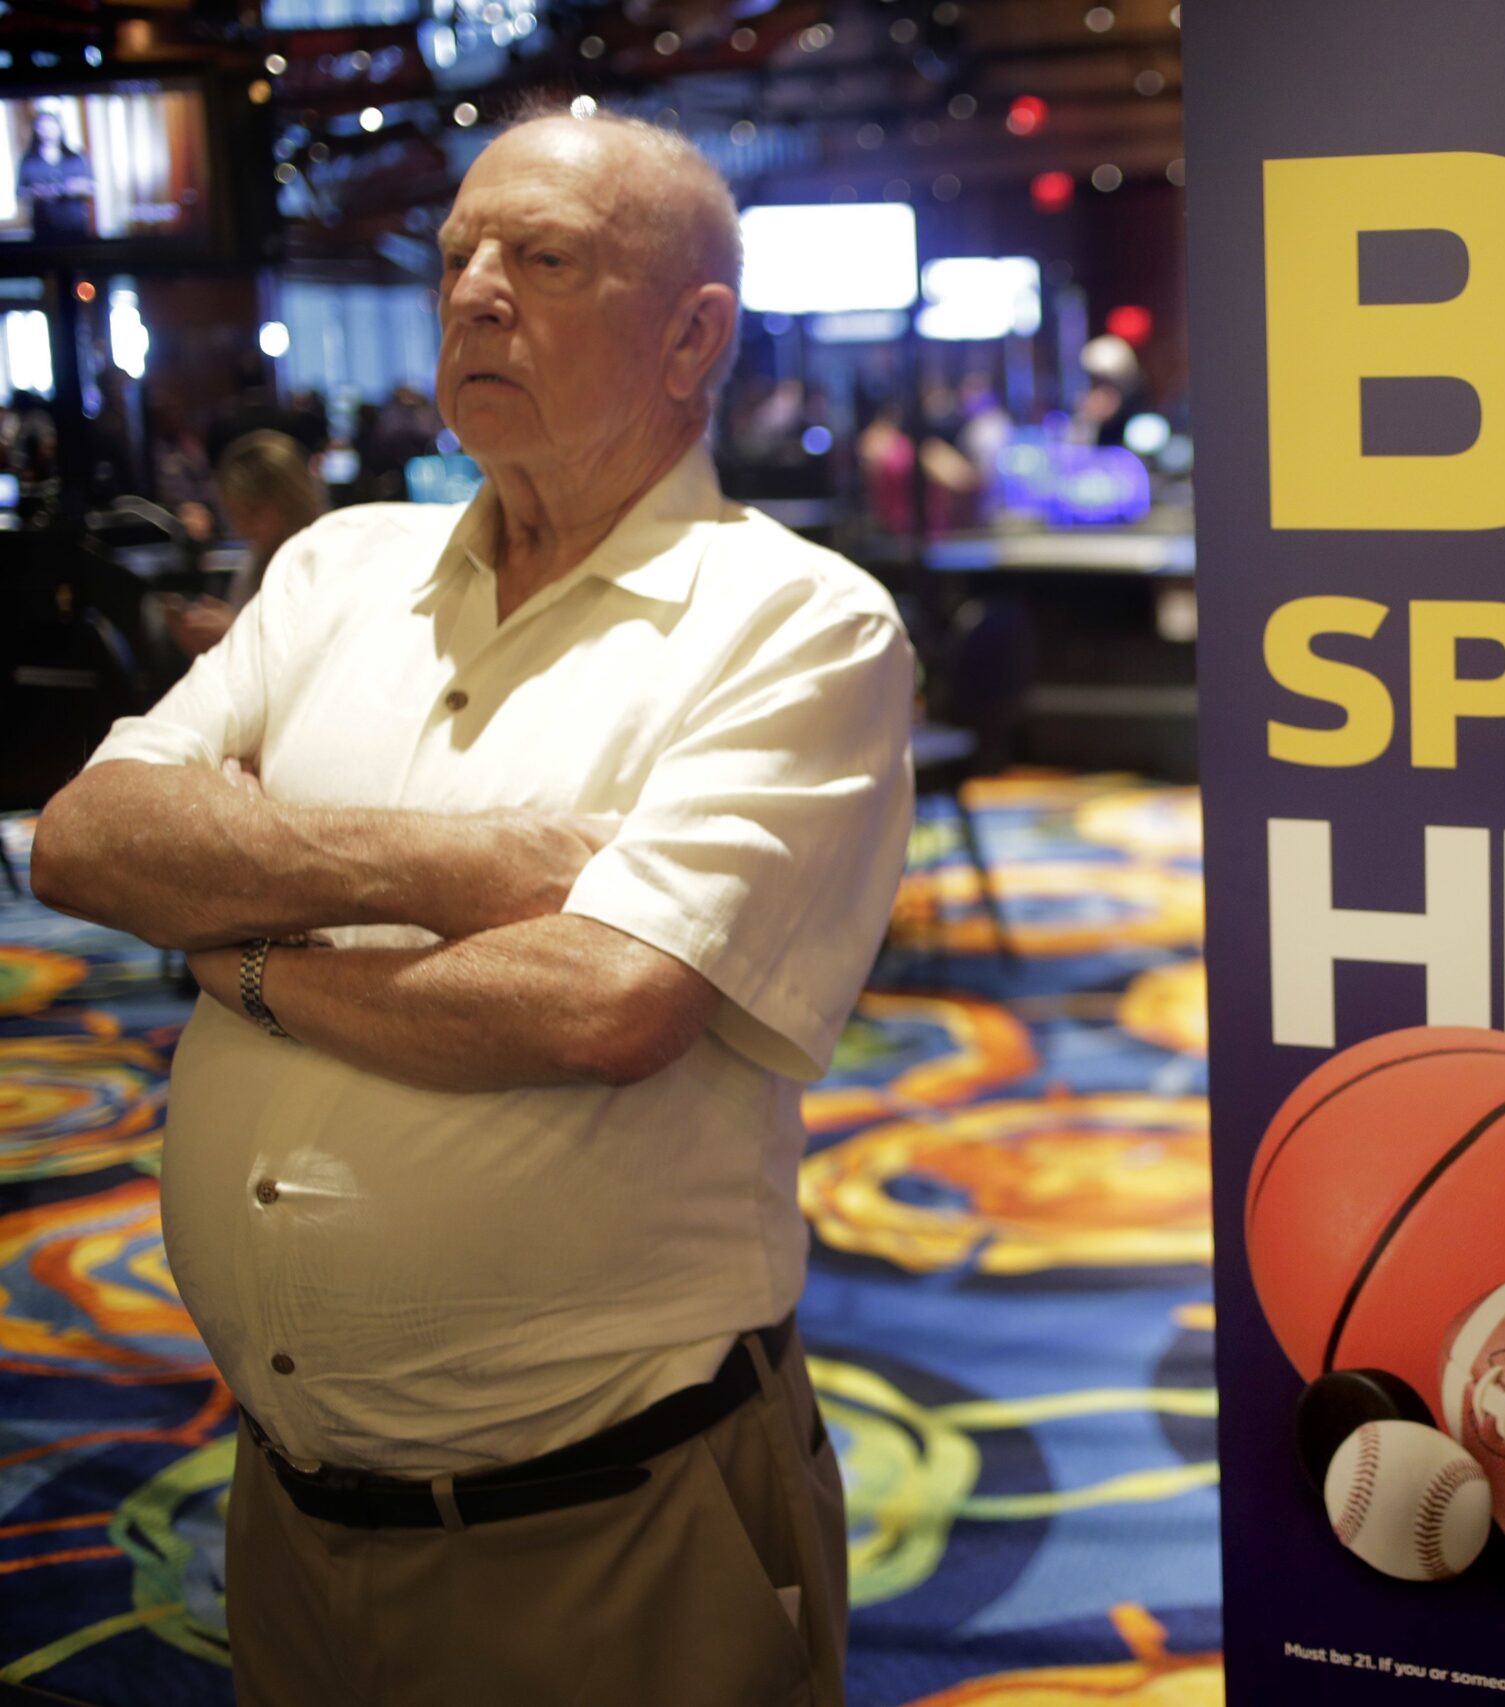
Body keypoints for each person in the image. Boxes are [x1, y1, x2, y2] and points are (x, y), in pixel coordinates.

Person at [32, 107, 912, 1705]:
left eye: (547, 260)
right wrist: (455, 868)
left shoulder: (793, 622)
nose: (475, 292)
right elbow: (87, 842)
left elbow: (603, 1003)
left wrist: (235, 944)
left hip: (612, 1525)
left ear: (692, 336)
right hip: (283, 1509)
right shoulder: (333, 571)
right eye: (458, 257)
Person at [164, 429, 329, 657]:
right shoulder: (255, 561)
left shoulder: (324, 561)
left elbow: (314, 660)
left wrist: (236, 635)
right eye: (235, 515)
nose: (243, 528)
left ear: (291, 501)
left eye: (252, 513)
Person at [18, 101, 96, 243]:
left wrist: (75, 188)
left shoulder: (75, 157)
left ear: (59, 127)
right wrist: (37, 192)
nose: (47, 130)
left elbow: (91, 187)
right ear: (36, 130)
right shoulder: (28, 160)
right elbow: (20, 192)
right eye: (42, 126)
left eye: (51, 125)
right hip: (43, 228)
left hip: (75, 228)